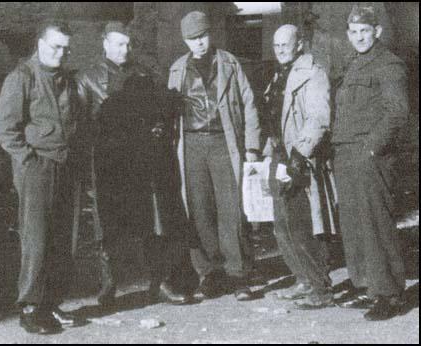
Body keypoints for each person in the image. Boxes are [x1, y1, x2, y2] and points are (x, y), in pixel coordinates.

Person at [77, 21, 192, 306]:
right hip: (109, 163)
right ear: (105, 43)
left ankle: (160, 281)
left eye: (128, 44)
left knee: (154, 223)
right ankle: (109, 284)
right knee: (108, 226)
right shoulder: (88, 78)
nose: (125, 50)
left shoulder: (143, 73)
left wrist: (158, 127)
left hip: (143, 162)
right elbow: (80, 123)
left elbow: (161, 112)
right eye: (118, 44)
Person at [0, 20, 83, 334]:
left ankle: (51, 303)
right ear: (40, 44)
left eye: (66, 48)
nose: (62, 53)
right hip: (37, 168)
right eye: (56, 46)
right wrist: (29, 160)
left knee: (62, 239)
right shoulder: (22, 77)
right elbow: (4, 128)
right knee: (37, 239)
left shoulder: (66, 79)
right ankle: (30, 307)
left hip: (65, 165)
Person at [168, 11, 261, 301]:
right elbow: (170, 110)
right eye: (192, 39)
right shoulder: (177, 69)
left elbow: (249, 103)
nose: (199, 43)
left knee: (231, 209)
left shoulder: (229, 63)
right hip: (192, 146)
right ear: (185, 40)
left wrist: (252, 147)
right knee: (199, 211)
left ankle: (239, 275)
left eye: (203, 36)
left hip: (224, 142)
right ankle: (209, 273)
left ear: (211, 34)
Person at [333, 5, 408, 321]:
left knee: (376, 224)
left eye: (365, 30)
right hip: (346, 154)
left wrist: (370, 149)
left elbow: (397, 112)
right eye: (354, 31)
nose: (359, 36)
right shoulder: (353, 63)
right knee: (353, 225)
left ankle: (389, 294)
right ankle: (366, 284)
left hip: (369, 156)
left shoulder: (388, 65)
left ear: (376, 31)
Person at [262, 24, 338, 309]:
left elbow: (319, 117)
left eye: (285, 44)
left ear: (299, 44)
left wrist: (299, 154)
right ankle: (303, 279)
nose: (280, 49)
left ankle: (321, 287)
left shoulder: (313, 73)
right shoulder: (279, 73)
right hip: (279, 155)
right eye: (276, 45)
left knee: (302, 224)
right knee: (282, 225)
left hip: (299, 158)